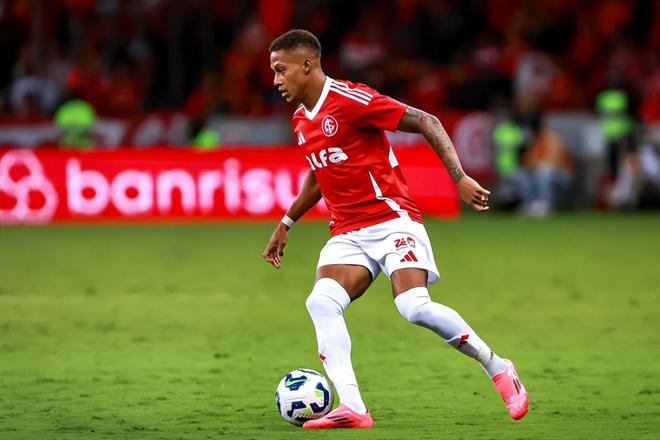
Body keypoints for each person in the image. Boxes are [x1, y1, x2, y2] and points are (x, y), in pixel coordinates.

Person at [262, 29, 528, 429]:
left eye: (281, 70)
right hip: (347, 232)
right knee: (321, 303)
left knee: (414, 307)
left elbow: (427, 120)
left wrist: (459, 177)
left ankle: (498, 366)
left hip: (391, 221)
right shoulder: (301, 120)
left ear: (307, 65)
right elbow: (320, 172)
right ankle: (354, 408)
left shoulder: (351, 99)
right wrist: (287, 221)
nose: (276, 80)